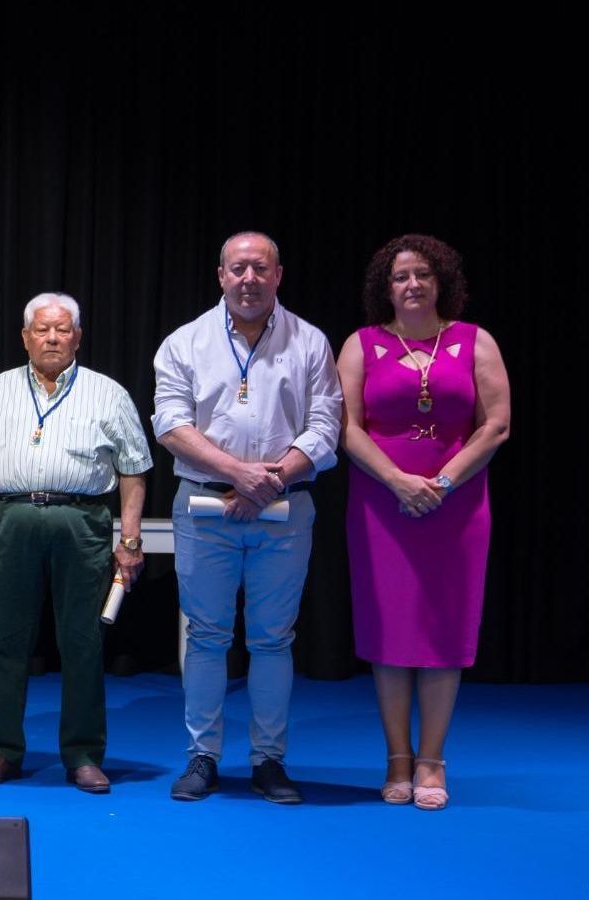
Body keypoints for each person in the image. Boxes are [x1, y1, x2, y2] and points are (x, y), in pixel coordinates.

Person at [152, 231, 342, 804]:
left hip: (285, 507)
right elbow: (170, 424)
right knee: (207, 638)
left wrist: (269, 480)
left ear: (278, 275)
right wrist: (240, 474)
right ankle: (203, 757)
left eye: (260, 268)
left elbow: (326, 423)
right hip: (206, 507)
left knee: (272, 641)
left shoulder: (309, 341)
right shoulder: (184, 343)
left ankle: (268, 761)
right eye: (238, 269)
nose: (249, 279)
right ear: (220, 276)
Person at [338, 235, 510, 811]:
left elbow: (496, 426)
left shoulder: (473, 341)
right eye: (400, 276)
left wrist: (440, 483)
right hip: (381, 505)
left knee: (443, 632)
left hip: (456, 508)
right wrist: (397, 481)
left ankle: (433, 760)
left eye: (422, 275)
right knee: (390, 634)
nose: (412, 285)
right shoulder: (362, 345)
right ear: (385, 288)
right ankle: (397, 759)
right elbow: (347, 428)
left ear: (441, 283)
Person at [0, 293, 151, 792]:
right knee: (6, 642)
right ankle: (3, 750)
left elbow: (134, 468)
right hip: (10, 517)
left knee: (83, 642)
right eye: (41, 330)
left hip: (81, 519)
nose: (51, 338)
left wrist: (129, 539)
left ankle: (83, 754)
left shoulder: (107, 393)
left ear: (78, 337)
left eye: (62, 330)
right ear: (25, 336)